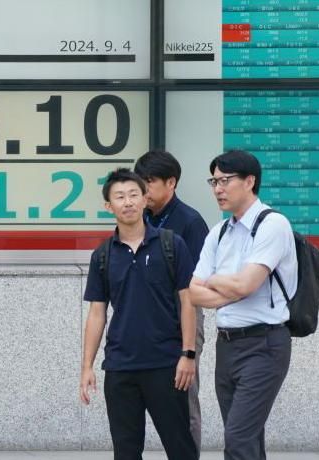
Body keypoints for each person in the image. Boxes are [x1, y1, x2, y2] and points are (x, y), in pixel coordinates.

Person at [80, 168, 198, 460]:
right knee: (126, 451)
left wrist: (188, 354)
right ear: (109, 206)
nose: (128, 202)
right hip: (120, 367)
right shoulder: (103, 255)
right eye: (119, 197)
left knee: (180, 448)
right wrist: (87, 367)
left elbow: (188, 302)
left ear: (146, 199)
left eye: (134, 194)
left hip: (166, 366)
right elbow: (97, 313)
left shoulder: (172, 245)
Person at [189, 150, 297, 460]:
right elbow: (194, 292)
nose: (217, 189)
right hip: (227, 345)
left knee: (237, 436)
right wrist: (233, 287)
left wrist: (221, 282)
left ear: (249, 181)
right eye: (214, 181)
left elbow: (246, 284)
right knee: (246, 438)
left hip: (264, 343)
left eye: (225, 180)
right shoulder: (218, 232)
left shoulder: (273, 224)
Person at [134, 149, 209, 451]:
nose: (142, 189)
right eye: (140, 181)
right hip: (146, 320)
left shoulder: (189, 222)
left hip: (182, 318)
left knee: (183, 399)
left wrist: (188, 346)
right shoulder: (140, 218)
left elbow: (196, 283)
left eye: (149, 182)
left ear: (171, 183)